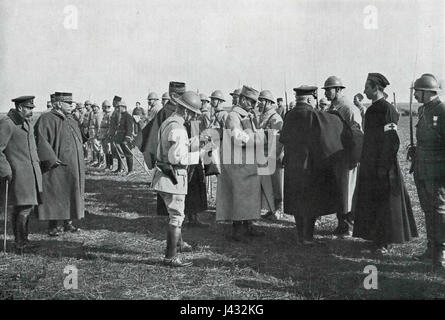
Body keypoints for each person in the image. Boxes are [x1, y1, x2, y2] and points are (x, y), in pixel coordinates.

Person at [353, 73, 418, 253]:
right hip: (370, 163)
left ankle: (385, 242)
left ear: (376, 88)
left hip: (384, 164)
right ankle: (375, 237)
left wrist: (383, 166)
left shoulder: (387, 109)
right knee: (372, 200)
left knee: (385, 203)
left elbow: (391, 140)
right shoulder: (373, 109)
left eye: (367, 87)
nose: (364, 90)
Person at [280, 86, 348, 244]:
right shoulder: (314, 115)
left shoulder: (289, 115)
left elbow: (283, 139)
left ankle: (300, 236)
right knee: (310, 201)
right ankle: (308, 237)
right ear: (310, 99)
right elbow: (330, 128)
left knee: (297, 200)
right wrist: (337, 114)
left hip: (292, 165)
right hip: (309, 166)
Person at [151, 91, 203, 267]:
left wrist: (192, 142)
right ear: (187, 112)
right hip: (174, 178)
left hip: (164, 176)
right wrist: (200, 154)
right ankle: (170, 257)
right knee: (177, 217)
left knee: (174, 213)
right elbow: (177, 159)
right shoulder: (179, 129)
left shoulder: (169, 122)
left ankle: (179, 244)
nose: (193, 118)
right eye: (193, 114)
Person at [216, 85, 265, 241]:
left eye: (255, 102)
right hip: (237, 163)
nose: (254, 105)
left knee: (249, 194)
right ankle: (238, 230)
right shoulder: (233, 117)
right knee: (239, 194)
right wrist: (260, 137)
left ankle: (248, 224)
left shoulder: (247, 115)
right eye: (251, 101)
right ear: (243, 99)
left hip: (246, 161)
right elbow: (238, 138)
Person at [34, 92, 86, 237]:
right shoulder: (46, 119)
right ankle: (54, 226)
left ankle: (68, 223)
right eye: (68, 103)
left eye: (72, 103)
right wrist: (50, 159)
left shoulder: (71, 119)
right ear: (58, 104)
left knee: (71, 192)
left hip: (73, 166)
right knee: (55, 194)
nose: (71, 105)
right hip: (56, 167)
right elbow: (40, 141)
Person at [409, 73, 445, 269]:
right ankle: (431, 249)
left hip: (438, 170)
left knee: (439, 210)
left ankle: (441, 252)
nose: (415, 95)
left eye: (417, 91)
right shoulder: (423, 110)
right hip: (422, 167)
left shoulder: (442, 110)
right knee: (428, 210)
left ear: (428, 91)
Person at [0, 96, 43, 252]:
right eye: (28, 108)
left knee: (25, 207)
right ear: (19, 108)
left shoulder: (25, 122)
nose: (31, 111)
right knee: (23, 207)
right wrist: (6, 170)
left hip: (29, 173)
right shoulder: (8, 123)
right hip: (17, 174)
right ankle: (21, 242)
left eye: (32, 108)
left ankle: (23, 240)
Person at [323, 76, 363, 238]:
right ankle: (341, 224)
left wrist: (355, 156)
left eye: (328, 89)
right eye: (325, 90)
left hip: (348, 156)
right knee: (339, 191)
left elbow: (358, 133)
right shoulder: (332, 107)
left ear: (338, 90)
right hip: (336, 157)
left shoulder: (348, 108)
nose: (326, 93)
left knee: (348, 191)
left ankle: (348, 226)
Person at [257, 90, 284, 221]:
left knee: (276, 184)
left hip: (273, 156)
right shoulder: (262, 117)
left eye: (261, 101)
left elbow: (278, 141)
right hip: (263, 155)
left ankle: (278, 210)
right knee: (267, 185)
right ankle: (270, 209)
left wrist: (274, 156)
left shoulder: (275, 118)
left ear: (268, 102)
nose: (259, 104)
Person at [114, 100, 136, 175]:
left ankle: (131, 170)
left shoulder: (128, 116)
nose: (117, 109)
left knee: (128, 154)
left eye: (119, 107)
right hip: (120, 138)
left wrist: (127, 139)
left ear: (123, 107)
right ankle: (121, 169)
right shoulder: (121, 116)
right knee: (121, 154)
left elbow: (129, 128)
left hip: (125, 139)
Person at [108, 96, 124, 173]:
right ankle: (118, 168)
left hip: (117, 134)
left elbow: (118, 123)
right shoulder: (115, 110)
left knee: (119, 151)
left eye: (114, 101)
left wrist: (115, 132)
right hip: (113, 133)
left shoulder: (118, 110)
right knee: (116, 151)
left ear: (117, 102)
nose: (112, 103)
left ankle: (121, 168)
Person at [88, 103, 104, 167]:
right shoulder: (93, 115)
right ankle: (98, 162)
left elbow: (99, 125)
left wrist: (98, 134)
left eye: (95, 107)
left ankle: (101, 162)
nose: (94, 108)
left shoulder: (99, 115)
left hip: (96, 134)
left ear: (98, 107)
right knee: (95, 149)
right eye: (93, 107)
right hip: (92, 134)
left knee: (99, 149)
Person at [99, 100, 113, 170]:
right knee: (105, 150)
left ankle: (110, 165)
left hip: (107, 135)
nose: (102, 108)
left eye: (103, 107)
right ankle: (107, 165)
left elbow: (110, 126)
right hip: (103, 134)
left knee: (108, 150)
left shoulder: (110, 115)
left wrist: (108, 134)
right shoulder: (104, 115)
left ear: (107, 107)